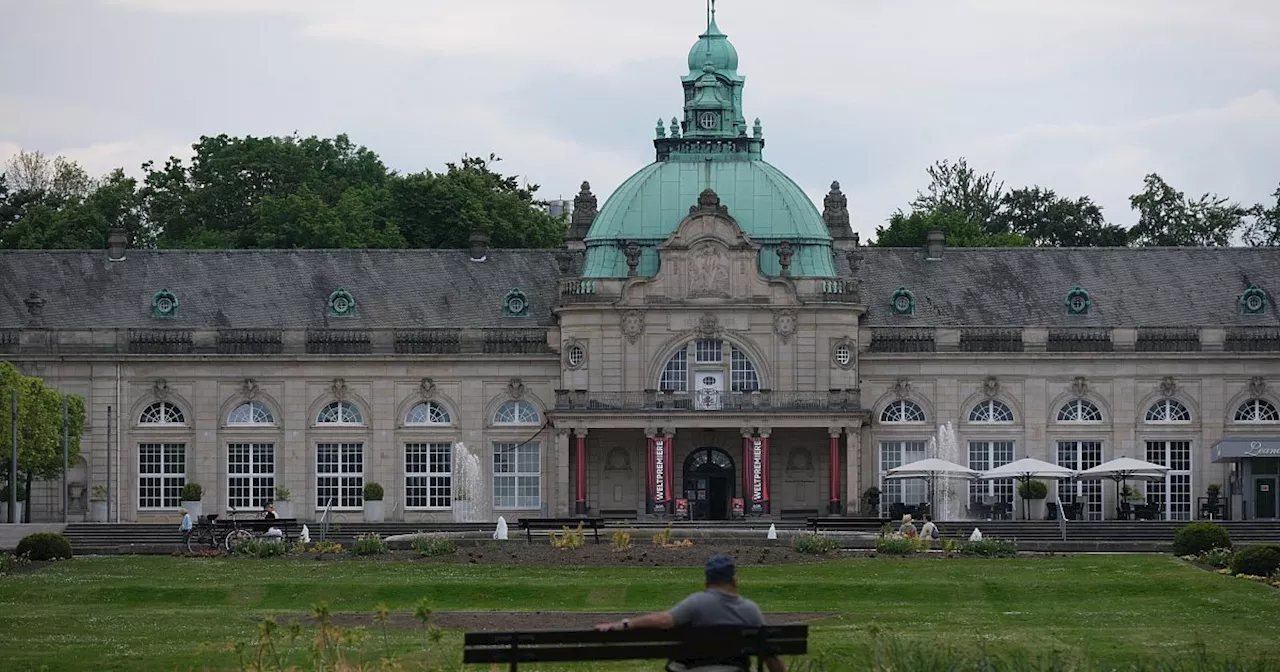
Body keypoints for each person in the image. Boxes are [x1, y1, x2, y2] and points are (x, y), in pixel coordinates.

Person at [596, 555, 785, 672]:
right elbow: (770, 656)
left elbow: (664, 620)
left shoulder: (697, 603)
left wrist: (625, 623)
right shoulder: (750, 610)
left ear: (706, 583)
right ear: (734, 582)